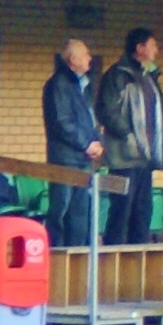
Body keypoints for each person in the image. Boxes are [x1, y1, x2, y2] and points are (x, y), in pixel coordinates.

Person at [99, 28, 163, 247]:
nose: (156, 50)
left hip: (145, 156)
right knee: (122, 208)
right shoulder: (117, 75)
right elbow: (107, 110)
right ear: (139, 48)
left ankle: (138, 254)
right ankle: (113, 254)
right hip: (124, 155)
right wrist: (128, 135)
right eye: (152, 45)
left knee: (143, 210)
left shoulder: (149, 77)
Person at [41, 37, 106, 247]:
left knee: (80, 215)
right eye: (85, 54)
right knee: (61, 211)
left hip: (82, 159)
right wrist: (87, 144)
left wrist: (97, 142)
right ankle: (56, 256)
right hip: (65, 160)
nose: (90, 58)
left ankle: (77, 257)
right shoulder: (58, 84)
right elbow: (62, 122)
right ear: (72, 59)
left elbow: (90, 119)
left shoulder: (83, 85)